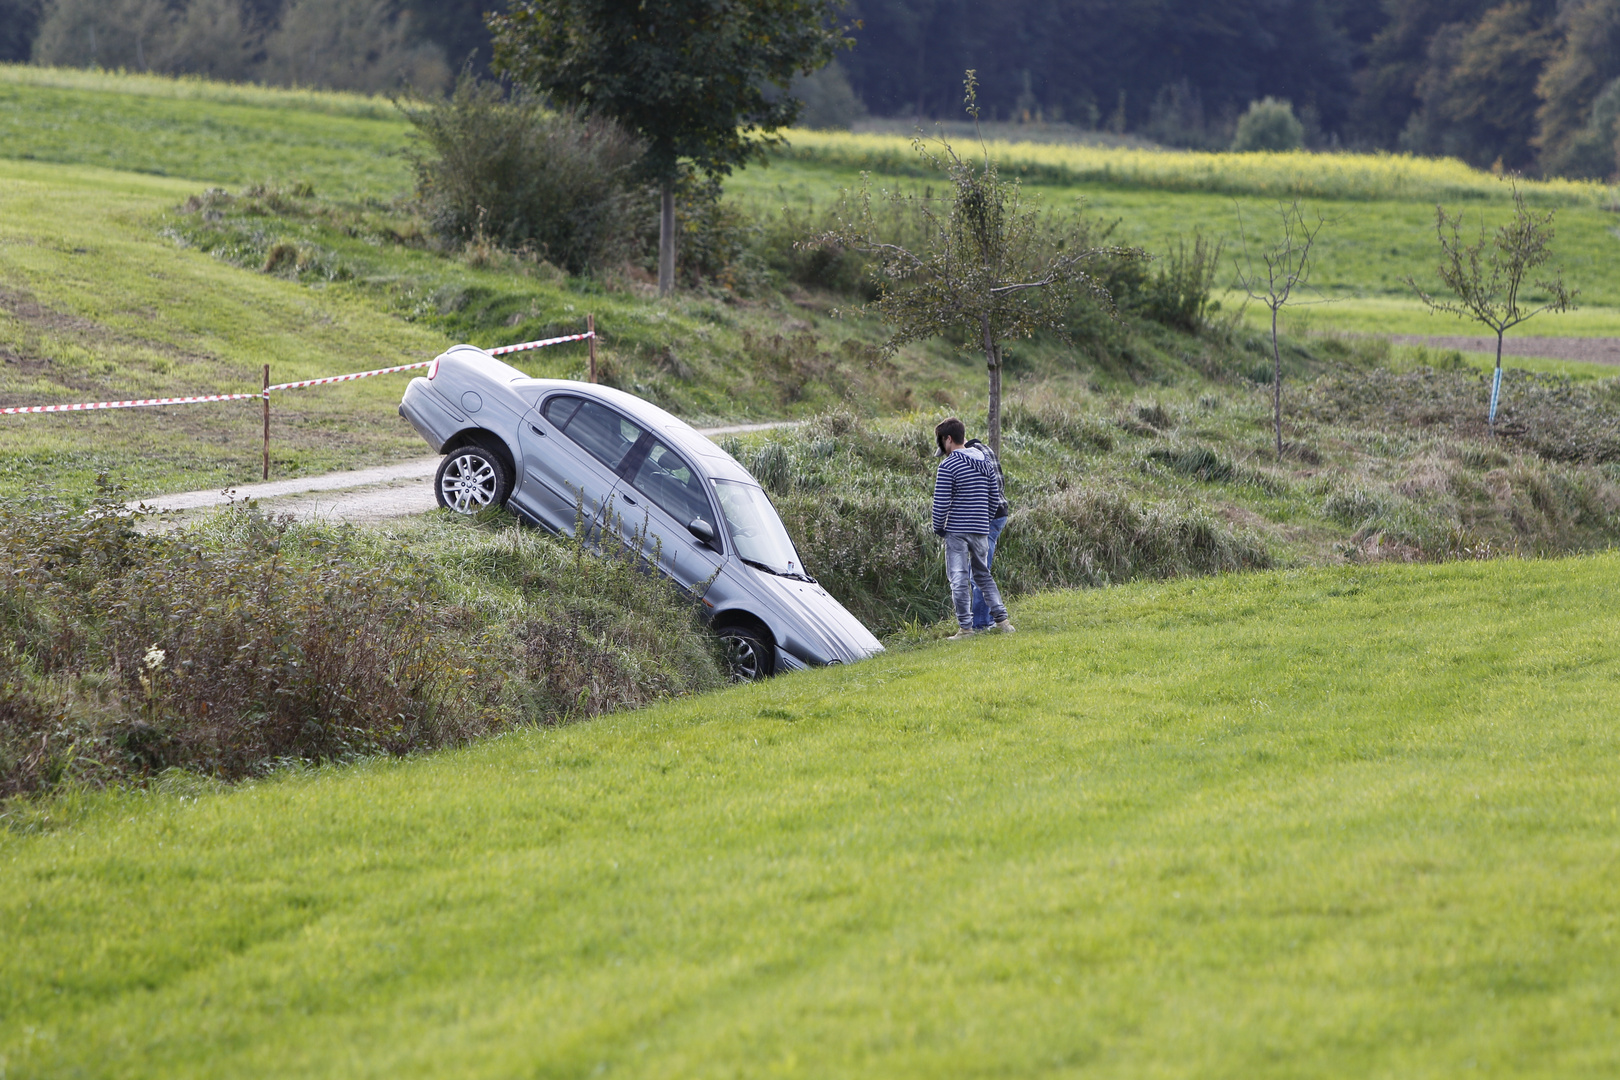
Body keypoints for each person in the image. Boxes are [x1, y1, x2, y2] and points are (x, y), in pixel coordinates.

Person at [931, 417, 1014, 640]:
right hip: (980, 528)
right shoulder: (984, 461)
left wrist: (939, 528)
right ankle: (1003, 622)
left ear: (948, 439)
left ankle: (966, 629)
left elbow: (941, 504)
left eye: (941, 441)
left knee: (958, 579)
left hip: (957, 530)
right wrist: (984, 522)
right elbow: (993, 497)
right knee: (983, 576)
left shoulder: (947, 466)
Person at [964, 436, 1009, 630]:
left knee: (979, 571)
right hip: (999, 512)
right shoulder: (985, 449)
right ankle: (984, 619)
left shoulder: (972, 457)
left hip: (988, 517)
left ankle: (981, 623)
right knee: (979, 569)